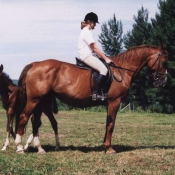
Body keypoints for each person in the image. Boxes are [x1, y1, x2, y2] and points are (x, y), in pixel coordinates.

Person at [77, 12, 113, 101]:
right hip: (87, 56)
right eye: (94, 23)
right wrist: (106, 58)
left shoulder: (86, 31)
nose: (95, 25)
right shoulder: (86, 31)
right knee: (104, 70)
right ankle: (96, 94)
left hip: (89, 55)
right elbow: (95, 48)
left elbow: (94, 50)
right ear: (89, 21)